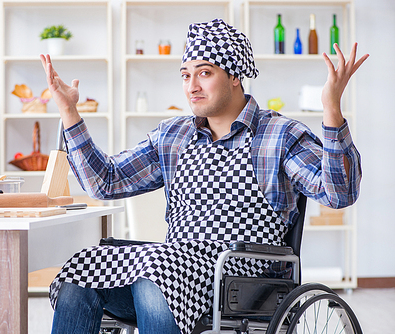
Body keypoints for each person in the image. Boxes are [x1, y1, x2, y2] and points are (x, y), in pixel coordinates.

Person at [40, 19, 368, 334]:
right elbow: (106, 181)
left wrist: (332, 110)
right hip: (173, 269)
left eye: (204, 73)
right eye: (185, 75)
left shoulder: (279, 135)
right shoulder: (172, 136)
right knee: (81, 270)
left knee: (156, 272)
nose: (192, 86)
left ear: (235, 76)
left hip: (246, 277)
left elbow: (338, 194)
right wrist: (70, 113)